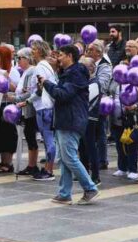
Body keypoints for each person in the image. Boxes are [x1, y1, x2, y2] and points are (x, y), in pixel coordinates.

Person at [41, 44, 99, 205]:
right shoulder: (67, 73)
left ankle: (90, 188)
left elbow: (63, 94)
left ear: (69, 56)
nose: (57, 58)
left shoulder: (77, 72)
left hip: (72, 120)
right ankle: (64, 193)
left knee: (69, 157)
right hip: (64, 120)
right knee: (63, 158)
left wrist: (46, 83)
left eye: (60, 55)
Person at [26, 40, 56, 181]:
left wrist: (27, 101)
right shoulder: (47, 66)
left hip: (43, 107)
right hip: (47, 106)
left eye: (34, 48)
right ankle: (48, 168)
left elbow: (40, 88)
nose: (32, 51)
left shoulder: (39, 67)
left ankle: (49, 170)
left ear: (39, 50)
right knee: (49, 139)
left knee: (48, 140)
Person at [10, 47, 39, 176]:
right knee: (29, 136)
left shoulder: (30, 71)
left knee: (30, 136)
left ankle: (32, 165)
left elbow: (29, 92)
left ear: (27, 59)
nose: (18, 61)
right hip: (25, 108)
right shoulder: (25, 72)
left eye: (20, 58)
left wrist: (15, 98)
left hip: (29, 110)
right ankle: (31, 165)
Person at [86, 39, 112, 170]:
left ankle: (102, 160)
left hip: (100, 103)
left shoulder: (104, 66)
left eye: (91, 50)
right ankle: (92, 158)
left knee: (100, 132)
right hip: (88, 103)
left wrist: (89, 83)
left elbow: (102, 85)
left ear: (98, 52)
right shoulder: (88, 63)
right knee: (92, 133)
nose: (88, 52)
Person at [0, 46, 18, 172]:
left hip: (8, 106)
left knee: (8, 134)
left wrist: (7, 77)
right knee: (0, 134)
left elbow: (17, 89)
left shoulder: (13, 71)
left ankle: (8, 162)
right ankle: (2, 161)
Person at [78, 57, 102, 186]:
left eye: (83, 67)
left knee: (91, 147)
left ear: (91, 68)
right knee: (82, 147)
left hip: (90, 119)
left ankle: (96, 175)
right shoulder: (86, 81)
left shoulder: (94, 82)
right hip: (82, 118)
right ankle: (84, 172)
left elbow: (85, 99)